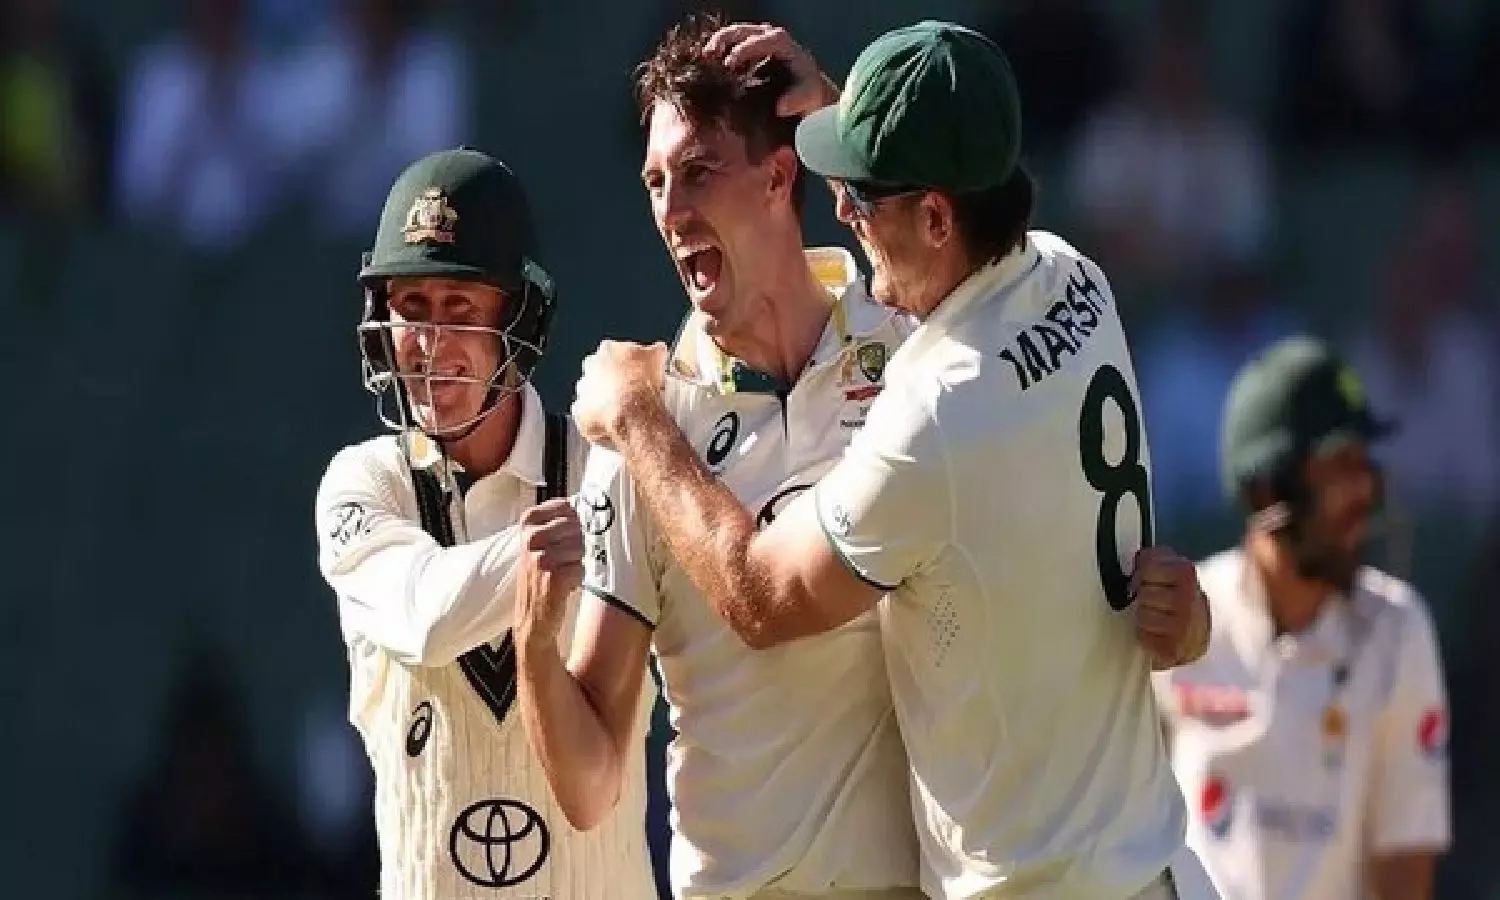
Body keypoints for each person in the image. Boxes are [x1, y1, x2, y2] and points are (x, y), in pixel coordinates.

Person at [517, 16, 1212, 900]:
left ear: (779, 176)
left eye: (698, 173)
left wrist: (639, 424)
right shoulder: (1066, 276)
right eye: (655, 181)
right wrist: (533, 643)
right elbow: (588, 786)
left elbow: (763, 595)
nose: (670, 210)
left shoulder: (911, 383)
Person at [313, 147, 658, 900]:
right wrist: (593, 527)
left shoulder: (605, 468)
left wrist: (635, 479)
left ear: (520, 318)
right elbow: (426, 617)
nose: (431, 345)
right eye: (412, 308)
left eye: (461, 309)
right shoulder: (362, 483)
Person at [1152, 336, 1451, 900]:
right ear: (1267, 490)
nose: (1364, 490)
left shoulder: (1398, 632)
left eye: (1365, 465)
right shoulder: (1185, 614)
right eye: (1339, 467)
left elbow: (1406, 872)